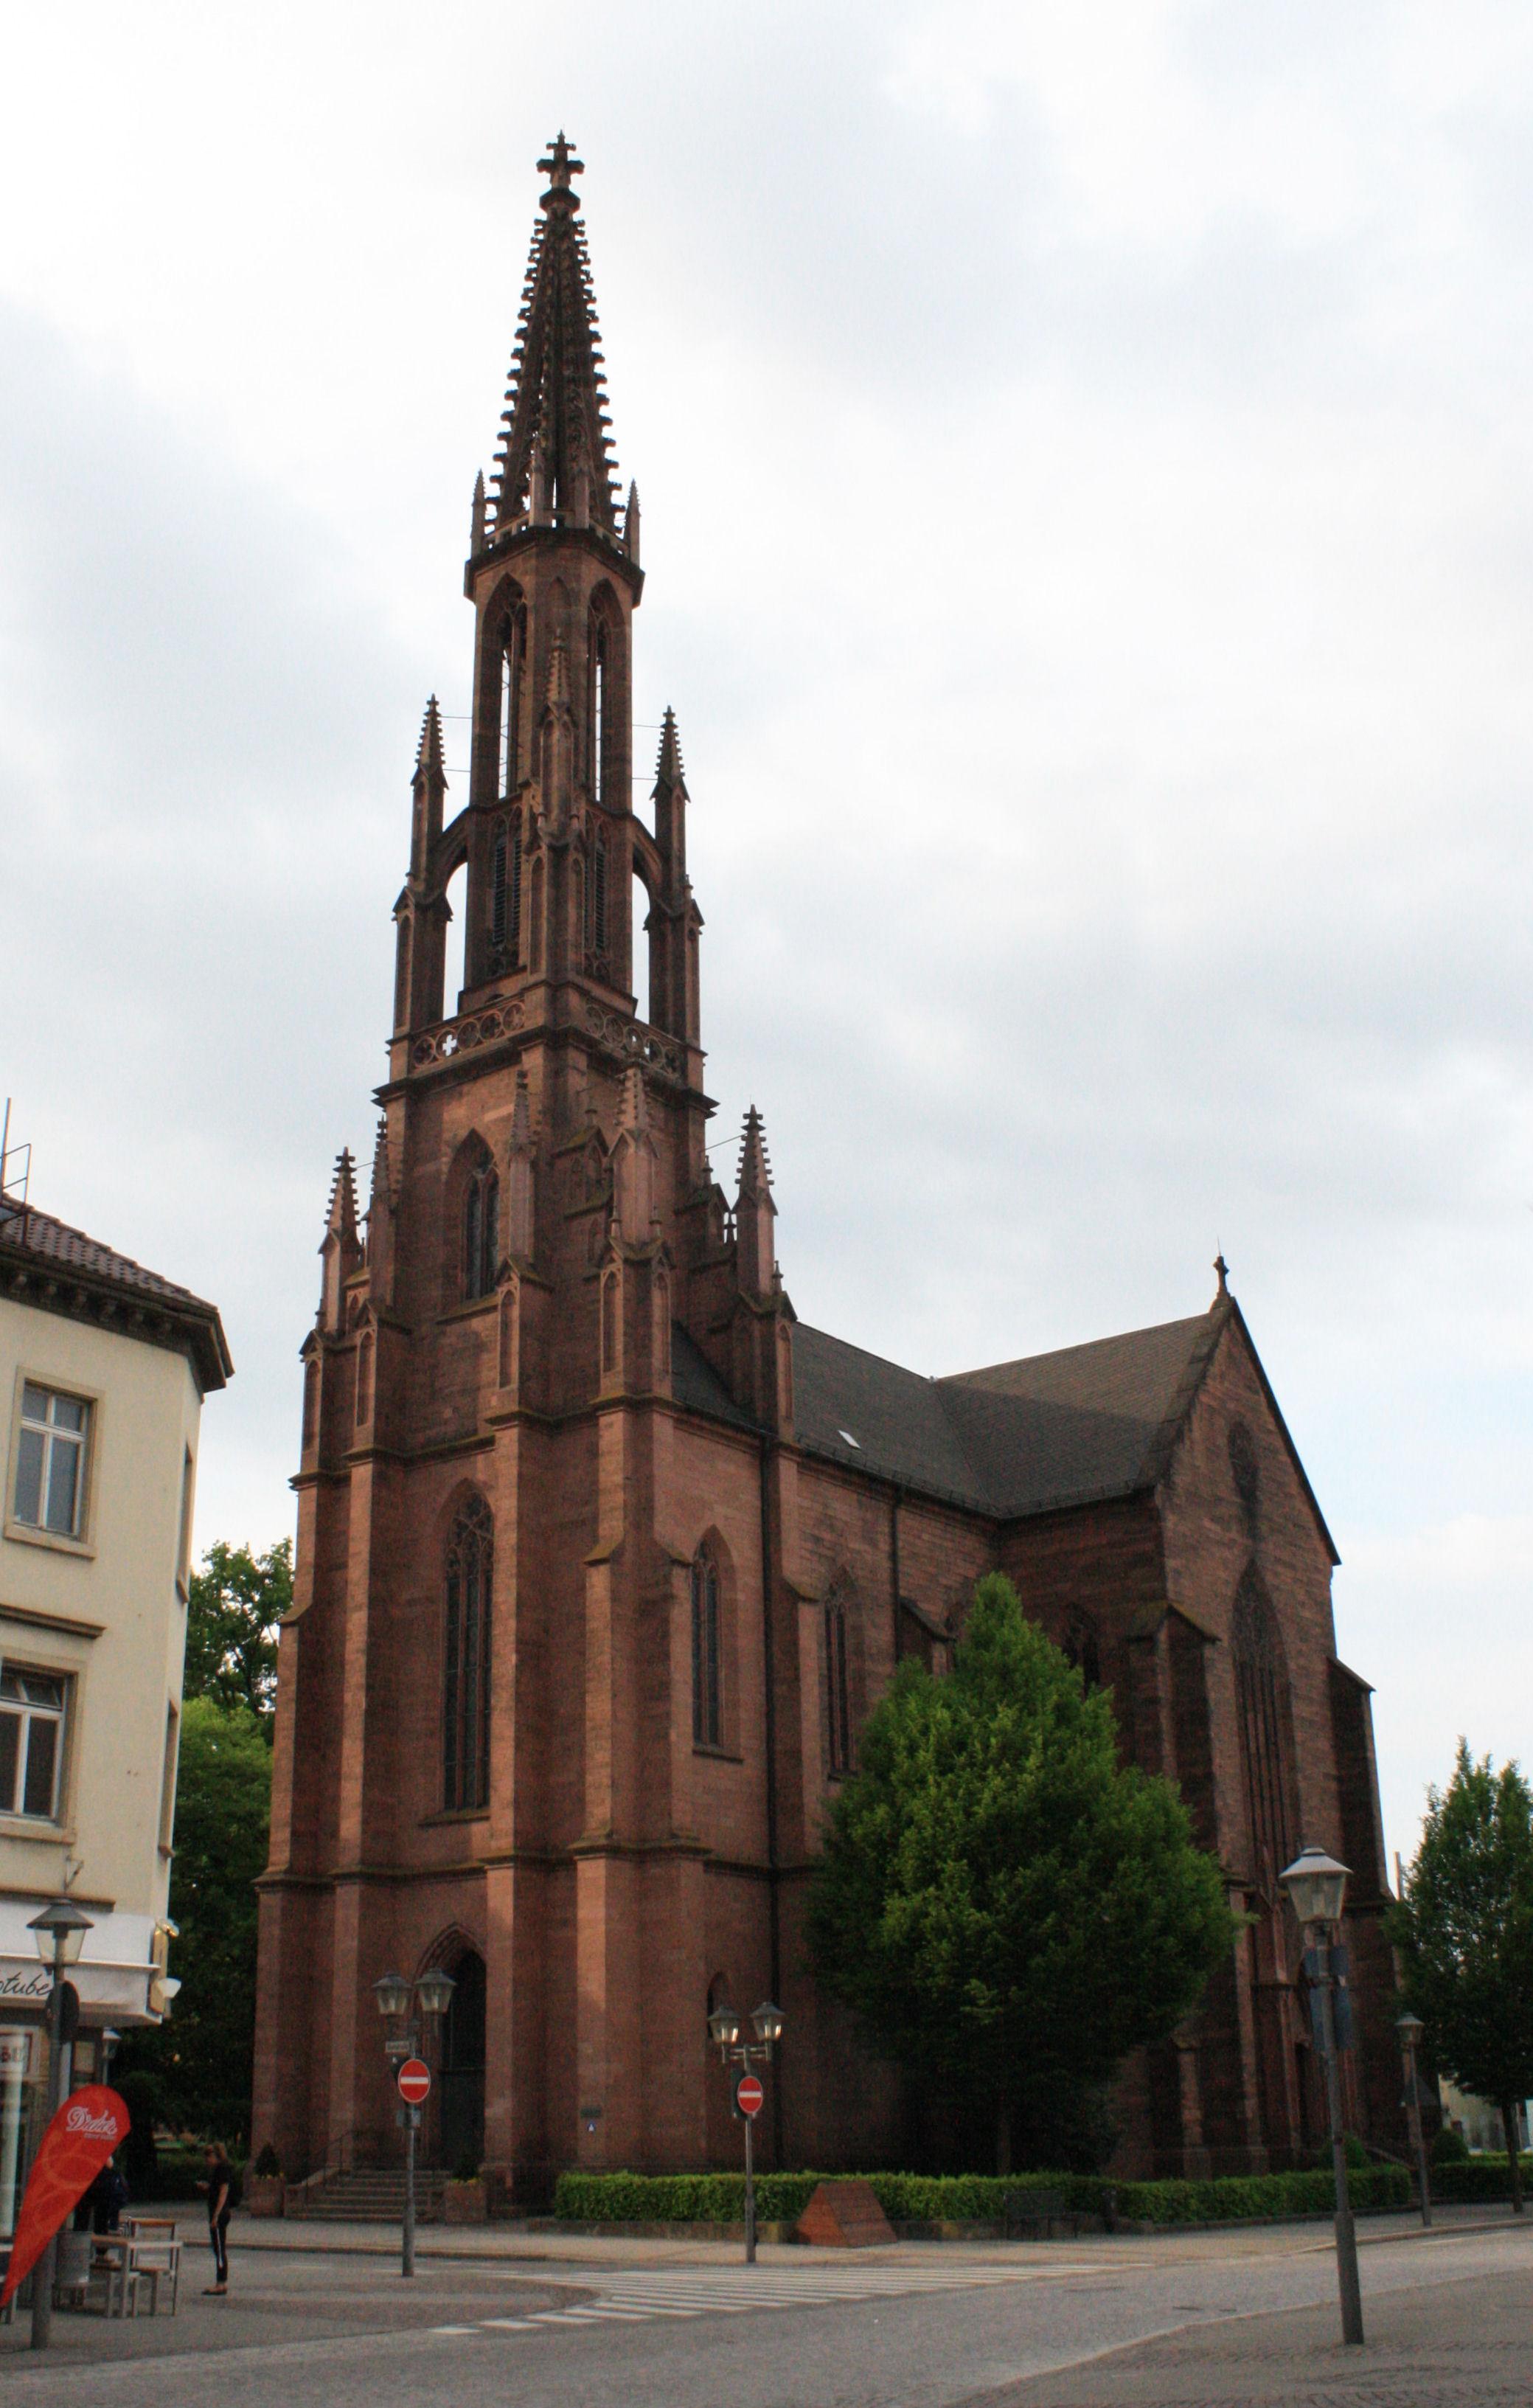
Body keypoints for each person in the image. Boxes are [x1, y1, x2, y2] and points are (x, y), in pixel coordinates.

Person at [200, 2145, 236, 2295]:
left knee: (219, 2248)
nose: (207, 2160)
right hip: (218, 2212)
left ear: (216, 2155)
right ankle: (220, 2282)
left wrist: (216, 2215)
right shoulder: (218, 2170)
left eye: (209, 2157)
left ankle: (221, 2283)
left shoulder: (222, 2169)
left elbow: (223, 2192)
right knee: (217, 2247)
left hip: (220, 2213)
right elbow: (216, 2189)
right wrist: (208, 2187)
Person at [86, 2155, 129, 2234]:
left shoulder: (110, 2175)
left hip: (107, 2199)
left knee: (102, 2221)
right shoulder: (113, 2174)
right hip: (108, 2199)